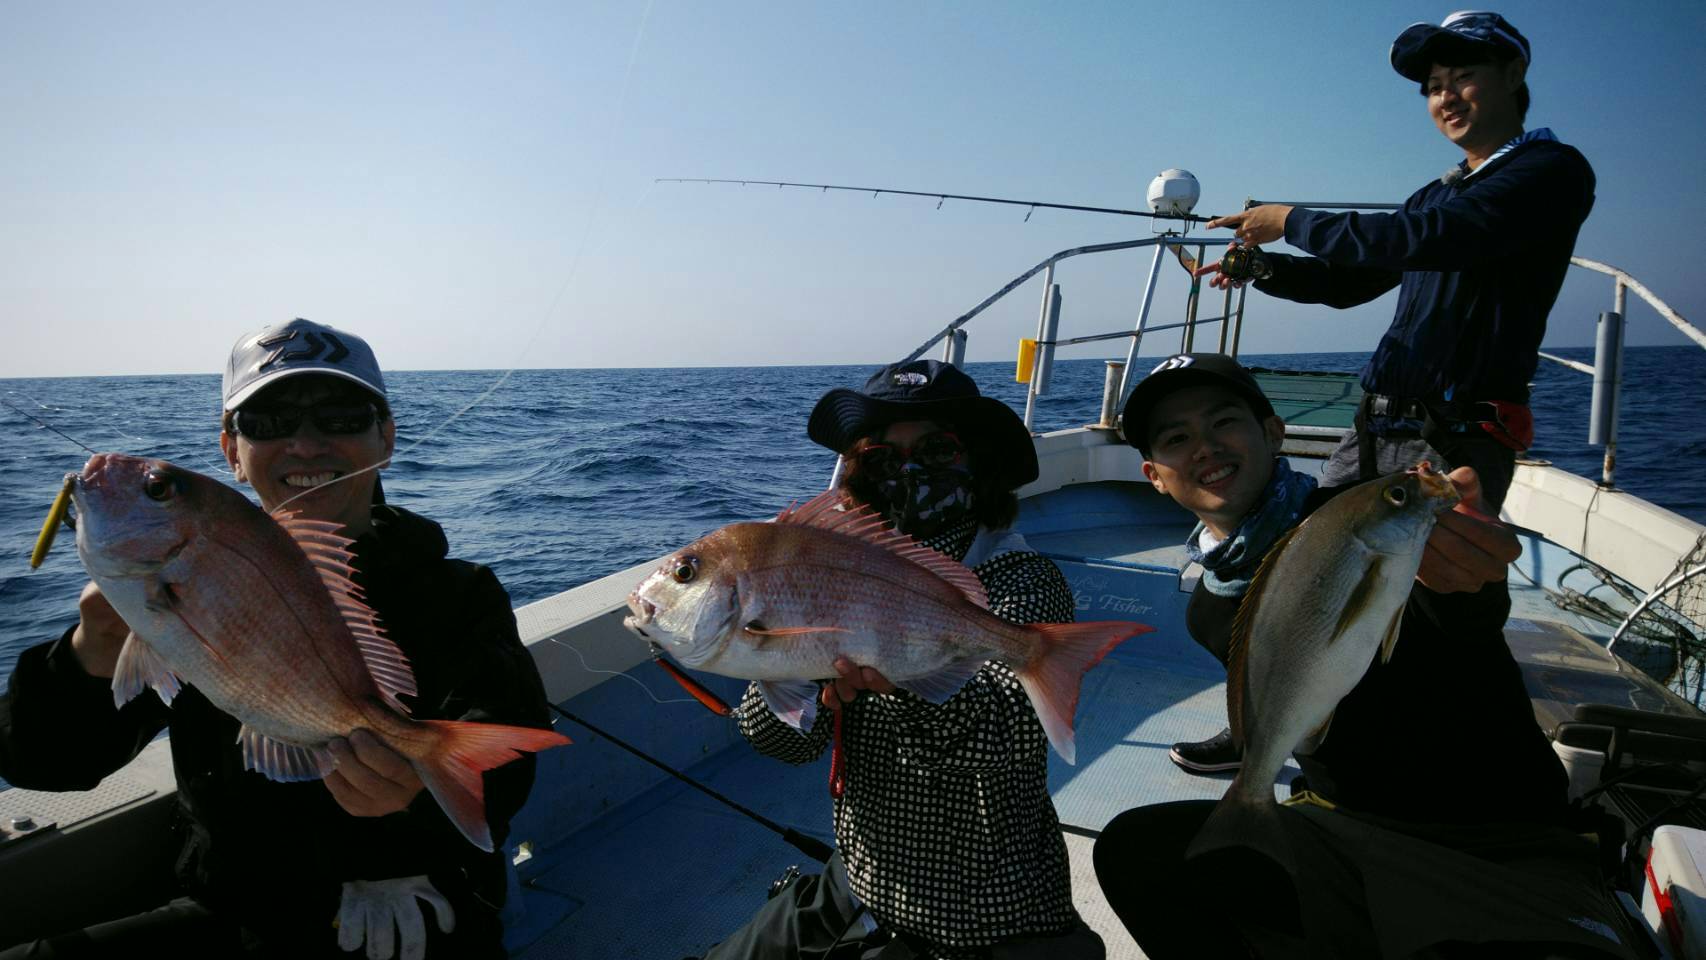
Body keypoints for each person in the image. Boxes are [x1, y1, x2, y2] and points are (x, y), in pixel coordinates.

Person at [0, 318, 554, 959]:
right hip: (235, 907)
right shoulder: (176, 587)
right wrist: (90, 653)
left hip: (419, 912)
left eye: (342, 416)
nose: (307, 443)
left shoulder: (459, 594)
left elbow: (501, 763)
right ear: (231, 451)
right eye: (269, 422)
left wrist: (413, 808)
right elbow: (44, 765)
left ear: (386, 437)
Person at [1091, 353, 1634, 959]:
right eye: (1176, 438)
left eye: (1224, 421)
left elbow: (1458, 612)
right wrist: (1258, 775)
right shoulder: (1210, 607)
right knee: (1133, 852)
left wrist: (1470, 572)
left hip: (1497, 845)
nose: (1205, 447)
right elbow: (1304, 709)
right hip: (1341, 831)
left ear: (1273, 433)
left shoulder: (1366, 517)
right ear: (1155, 476)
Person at [696, 360, 1103, 959]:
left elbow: (1007, 734)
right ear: (859, 474)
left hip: (986, 911)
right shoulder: (826, 567)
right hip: (858, 879)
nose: (908, 472)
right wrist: (797, 671)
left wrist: (899, 688)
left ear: (978, 462)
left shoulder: (1020, 579)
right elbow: (784, 745)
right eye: (882, 458)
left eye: (936, 451)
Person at [1194, 10, 1595, 514]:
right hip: (1373, 423)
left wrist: (1292, 220)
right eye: (1434, 87)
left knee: (1439, 566)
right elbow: (1350, 283)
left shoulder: (1550, 170)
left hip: (1456, 438)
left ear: (1514, 75)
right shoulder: (1434, 196)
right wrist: (1265, 268)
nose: (1446, 98)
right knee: (1319, 550)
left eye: (1463, 77)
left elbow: (1433, 236)